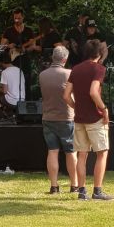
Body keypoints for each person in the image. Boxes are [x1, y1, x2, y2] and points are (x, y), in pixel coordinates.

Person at [64, 37, 112, 201]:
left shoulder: (76, 69)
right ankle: (97, 191)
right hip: (95, 118)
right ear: (100, 53)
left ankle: (82, 192)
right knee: (102, 153)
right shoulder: (99, 69)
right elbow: (93, 92)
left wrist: (76, 107)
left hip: (79, 119)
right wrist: (104, 109)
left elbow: (66, 95)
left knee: (81, 155)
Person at [38, 44, 76, 194]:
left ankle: (54, 186)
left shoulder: (42, 75)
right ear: (65, 59)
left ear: (53, 57)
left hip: (48, 117)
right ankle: (74, 185)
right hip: (66, 117)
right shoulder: (69, 74)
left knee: (52, 151)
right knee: (70, 152)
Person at [0, 50, 25, 118]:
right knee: (6, 95)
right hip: (22, 101)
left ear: (2, 62)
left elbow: (4, 91)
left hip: (12, 102)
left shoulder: (5, 72)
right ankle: (8, 112)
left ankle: (2, 111)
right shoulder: (20, 70)